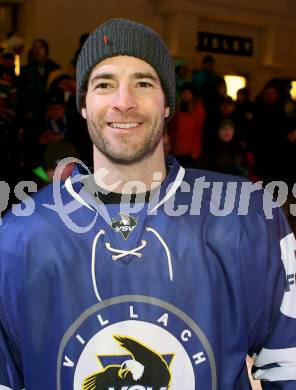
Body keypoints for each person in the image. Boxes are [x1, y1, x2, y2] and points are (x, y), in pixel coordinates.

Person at [0, 18, 295, 390]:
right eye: (104, 84)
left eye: (143, 83)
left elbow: (289, 364)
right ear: (83, 105)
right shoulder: (19, 233)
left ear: (168, 104)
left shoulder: (247, 215)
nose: (124, 102)